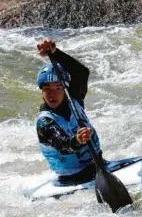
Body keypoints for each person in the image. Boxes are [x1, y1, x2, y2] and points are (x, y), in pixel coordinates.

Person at [36, 39, 104, 185]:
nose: (52, 94)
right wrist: (77, 140)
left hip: (98, 165)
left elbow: (82, 72)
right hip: (73, 178)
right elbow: (62, 144)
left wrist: (55, 53)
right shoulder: (44, 122)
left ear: (65, 89)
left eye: (58, 88)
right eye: (47, 89)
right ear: (42, 92)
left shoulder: (75, 100)